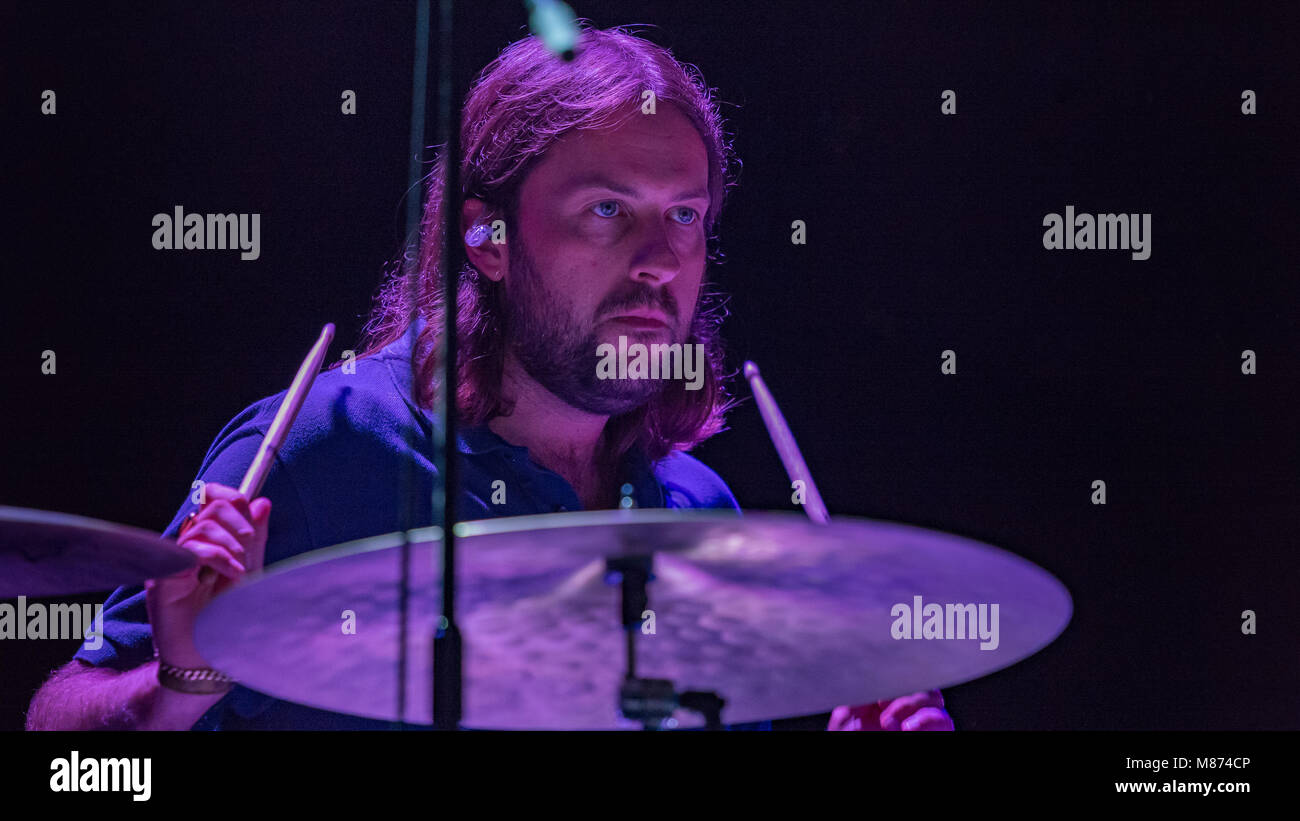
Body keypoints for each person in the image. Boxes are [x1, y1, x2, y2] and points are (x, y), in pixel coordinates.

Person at [26, 23, 952, 732]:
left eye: (684, 215)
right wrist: (184, 683)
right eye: (605, 210)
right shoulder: (322, 450)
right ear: (487, 238)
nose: (661, 260)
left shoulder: (700, 511)